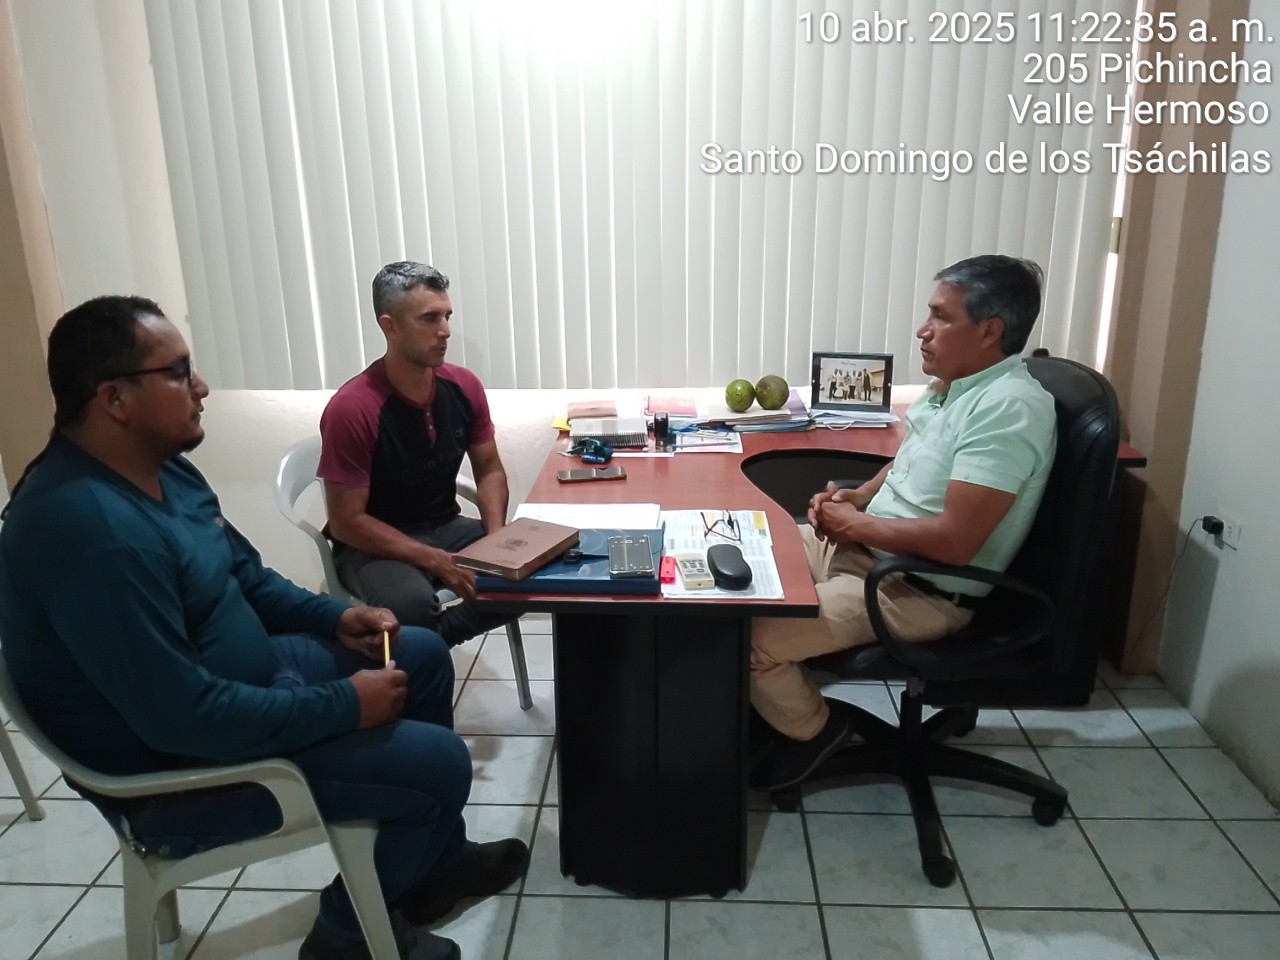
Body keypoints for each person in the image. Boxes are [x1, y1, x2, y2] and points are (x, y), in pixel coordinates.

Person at [0, 296, 528, 960]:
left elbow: (247, 578)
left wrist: (336, 615)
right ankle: (345, 933)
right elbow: (181, 718)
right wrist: (343, 705)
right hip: (181, 774)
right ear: (115, 399)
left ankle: (435, 864)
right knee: (439, 766)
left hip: (241, 690)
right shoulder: (91, 532)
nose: (201, 387)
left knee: (417, 652)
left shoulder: (162, 468)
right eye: (178, 372)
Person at [749, 255, 1057, 791]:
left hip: (917, 589)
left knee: (749, 639)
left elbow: (955, 544)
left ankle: (817, 731)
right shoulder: (954, 387)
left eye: (940, 316)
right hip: (870, 555)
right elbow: (912, 462)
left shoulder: (1008, 409)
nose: (922, 330)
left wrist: (852, 526)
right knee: (749, 553)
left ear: (989, 331)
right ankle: (759, 711)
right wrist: (858, 497)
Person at [318, 262, 515, 647]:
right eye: (429, 318)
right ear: (389, 326)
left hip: (445, 525)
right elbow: (346, 522)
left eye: (446, 316)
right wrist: (432, 558)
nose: (445, 331)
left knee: (536, 572)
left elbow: (490, 470)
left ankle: (431, 644)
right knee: (412, 608)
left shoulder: (464, 386)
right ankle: (425, 646)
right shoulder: (352, 408)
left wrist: (496, 541)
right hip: (372, 543)